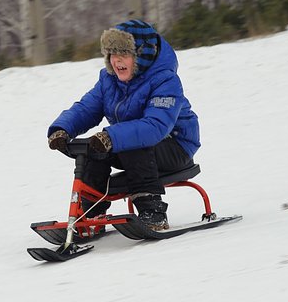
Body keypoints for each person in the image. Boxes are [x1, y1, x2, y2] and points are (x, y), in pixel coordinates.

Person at [47, 19, 200, 230]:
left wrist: (111, 137)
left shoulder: (165, 81)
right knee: (91, 151)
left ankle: (153, 212)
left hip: (176, 145)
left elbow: (154, 126)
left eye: (124, 54)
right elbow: (86, 108)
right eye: (112, 54)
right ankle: (91, 215)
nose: (116, 60)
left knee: (132, 145)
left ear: (142, 56)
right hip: (136, 144)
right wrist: (61, 129)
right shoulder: (109, 80)